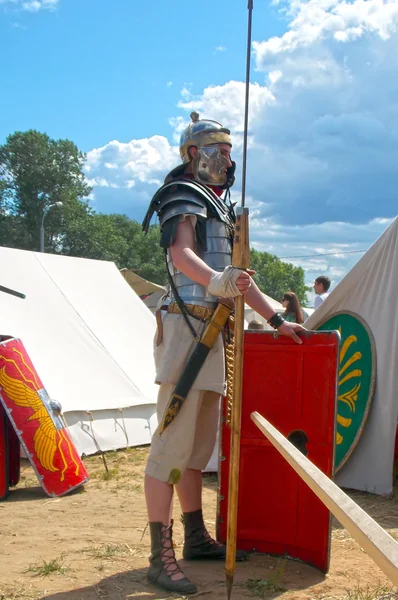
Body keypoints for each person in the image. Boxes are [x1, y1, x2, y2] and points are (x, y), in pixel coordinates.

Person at [141, 112, 305, 595]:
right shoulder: (182, 195)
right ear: (195, 153)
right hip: (187, 325)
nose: (229, 158)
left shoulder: (221, 206)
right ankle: (159, 556)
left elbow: (238, 277)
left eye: (231, 150)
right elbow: (183, 256)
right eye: (221, 148)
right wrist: (215, 280)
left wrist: (275, 319)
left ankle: (194, 537)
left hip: (216, 331)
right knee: (171, 445)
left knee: (196, 448)